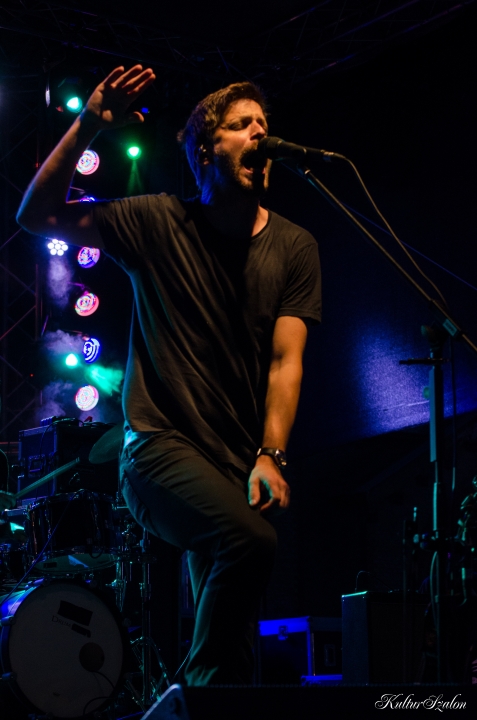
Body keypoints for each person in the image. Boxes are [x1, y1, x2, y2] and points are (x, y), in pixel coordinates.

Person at [16, 66, 321, 685]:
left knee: (236, 657)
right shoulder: (157, 221)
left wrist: (271, 455)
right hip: (157, 451)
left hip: (236, 466)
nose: (259, 133)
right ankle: (185, 703)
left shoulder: (294, 247)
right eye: (242, 125)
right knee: (251, 545)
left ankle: (203, 696)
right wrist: (88, 126)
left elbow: (285, 362)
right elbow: (36, 215)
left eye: (264, 124)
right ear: (205, 151)